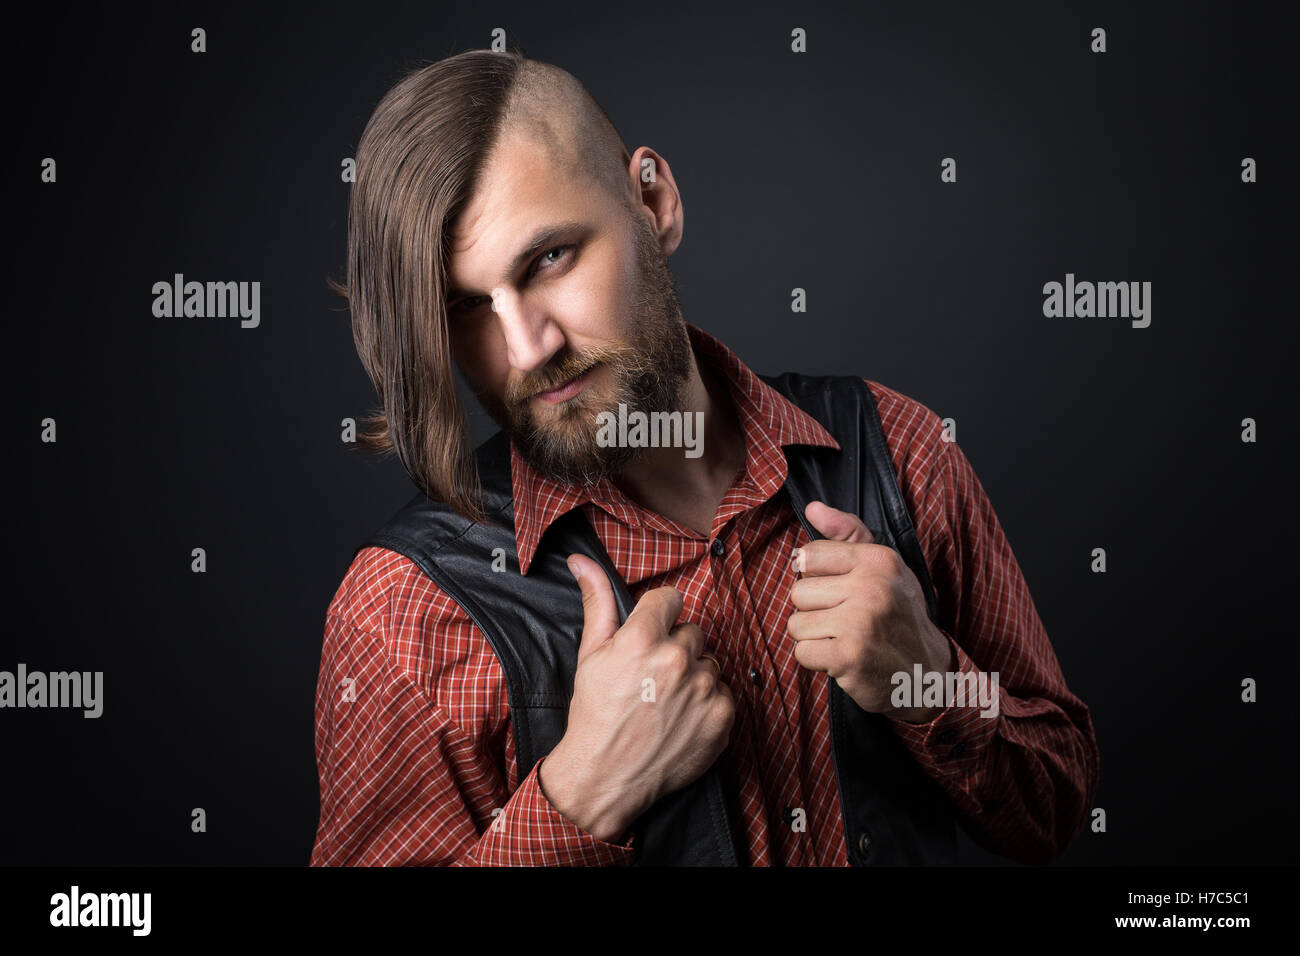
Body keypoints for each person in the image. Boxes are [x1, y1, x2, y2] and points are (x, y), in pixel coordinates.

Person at [310, 46, 1099, 866]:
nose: (527, 347)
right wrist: (579, 798)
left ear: (653, 201)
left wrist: (928, 678)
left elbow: (1056, 804)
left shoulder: (899, 450)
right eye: (469, 306)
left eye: (549, 258)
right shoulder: (403, 610)